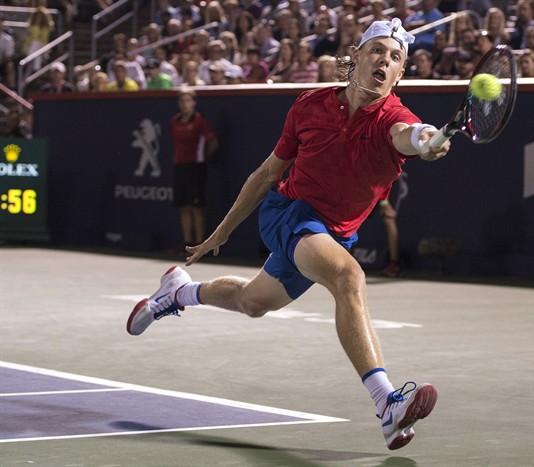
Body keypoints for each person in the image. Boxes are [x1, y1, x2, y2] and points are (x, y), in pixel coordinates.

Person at [126, 17, 449, 450]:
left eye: (395, 58)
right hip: (289, 213)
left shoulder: (394, 118)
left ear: (400, 74)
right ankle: (387, 403)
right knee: (349, 277)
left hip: (332, 235)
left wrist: (427, 139)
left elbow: (408, 135)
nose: (384, 61)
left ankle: (178, 292)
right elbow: (265, 175)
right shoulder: (310, 105)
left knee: (253, 302)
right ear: (356, 56)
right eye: (377, 50)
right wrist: (220, 232)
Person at [169, 88, 218, 249]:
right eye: (182, 101)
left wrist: (203, 158)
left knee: (196, 207)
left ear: (194, 103)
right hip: (179, 167)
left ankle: (199, 244)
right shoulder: (174, 121)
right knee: (184, 206)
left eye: (188, 100)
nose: (185, 104)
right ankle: (187, 243)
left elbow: (213, 142)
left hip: (196, 168)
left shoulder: (200, 121)